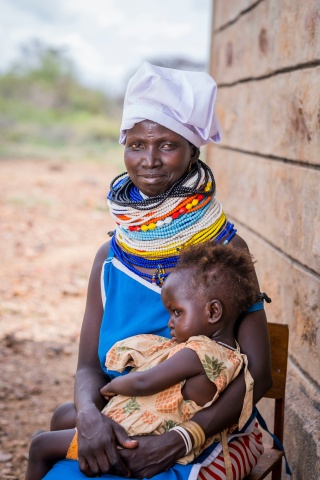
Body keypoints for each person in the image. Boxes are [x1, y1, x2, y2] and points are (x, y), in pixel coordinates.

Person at [39, 62, 272, 480]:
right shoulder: (110, 258)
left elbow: (259, 374)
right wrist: (91, 417)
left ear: (192, 151)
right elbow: (90, 367)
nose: (148, 160)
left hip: (201, 437)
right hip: (118, 424)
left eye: (167, 145)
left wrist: (181, 439)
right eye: (136, 144)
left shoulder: (224, 253)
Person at [25, 243, 259, 480]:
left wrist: (111, 388)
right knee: (65, 415)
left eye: (176, 313)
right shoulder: (229, 356)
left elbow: (144, 382)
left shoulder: (198, 352)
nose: (169, 323)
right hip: (147, 425)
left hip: (139, 435)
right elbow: (91, 368)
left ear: (213, 312)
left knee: (42, 445)